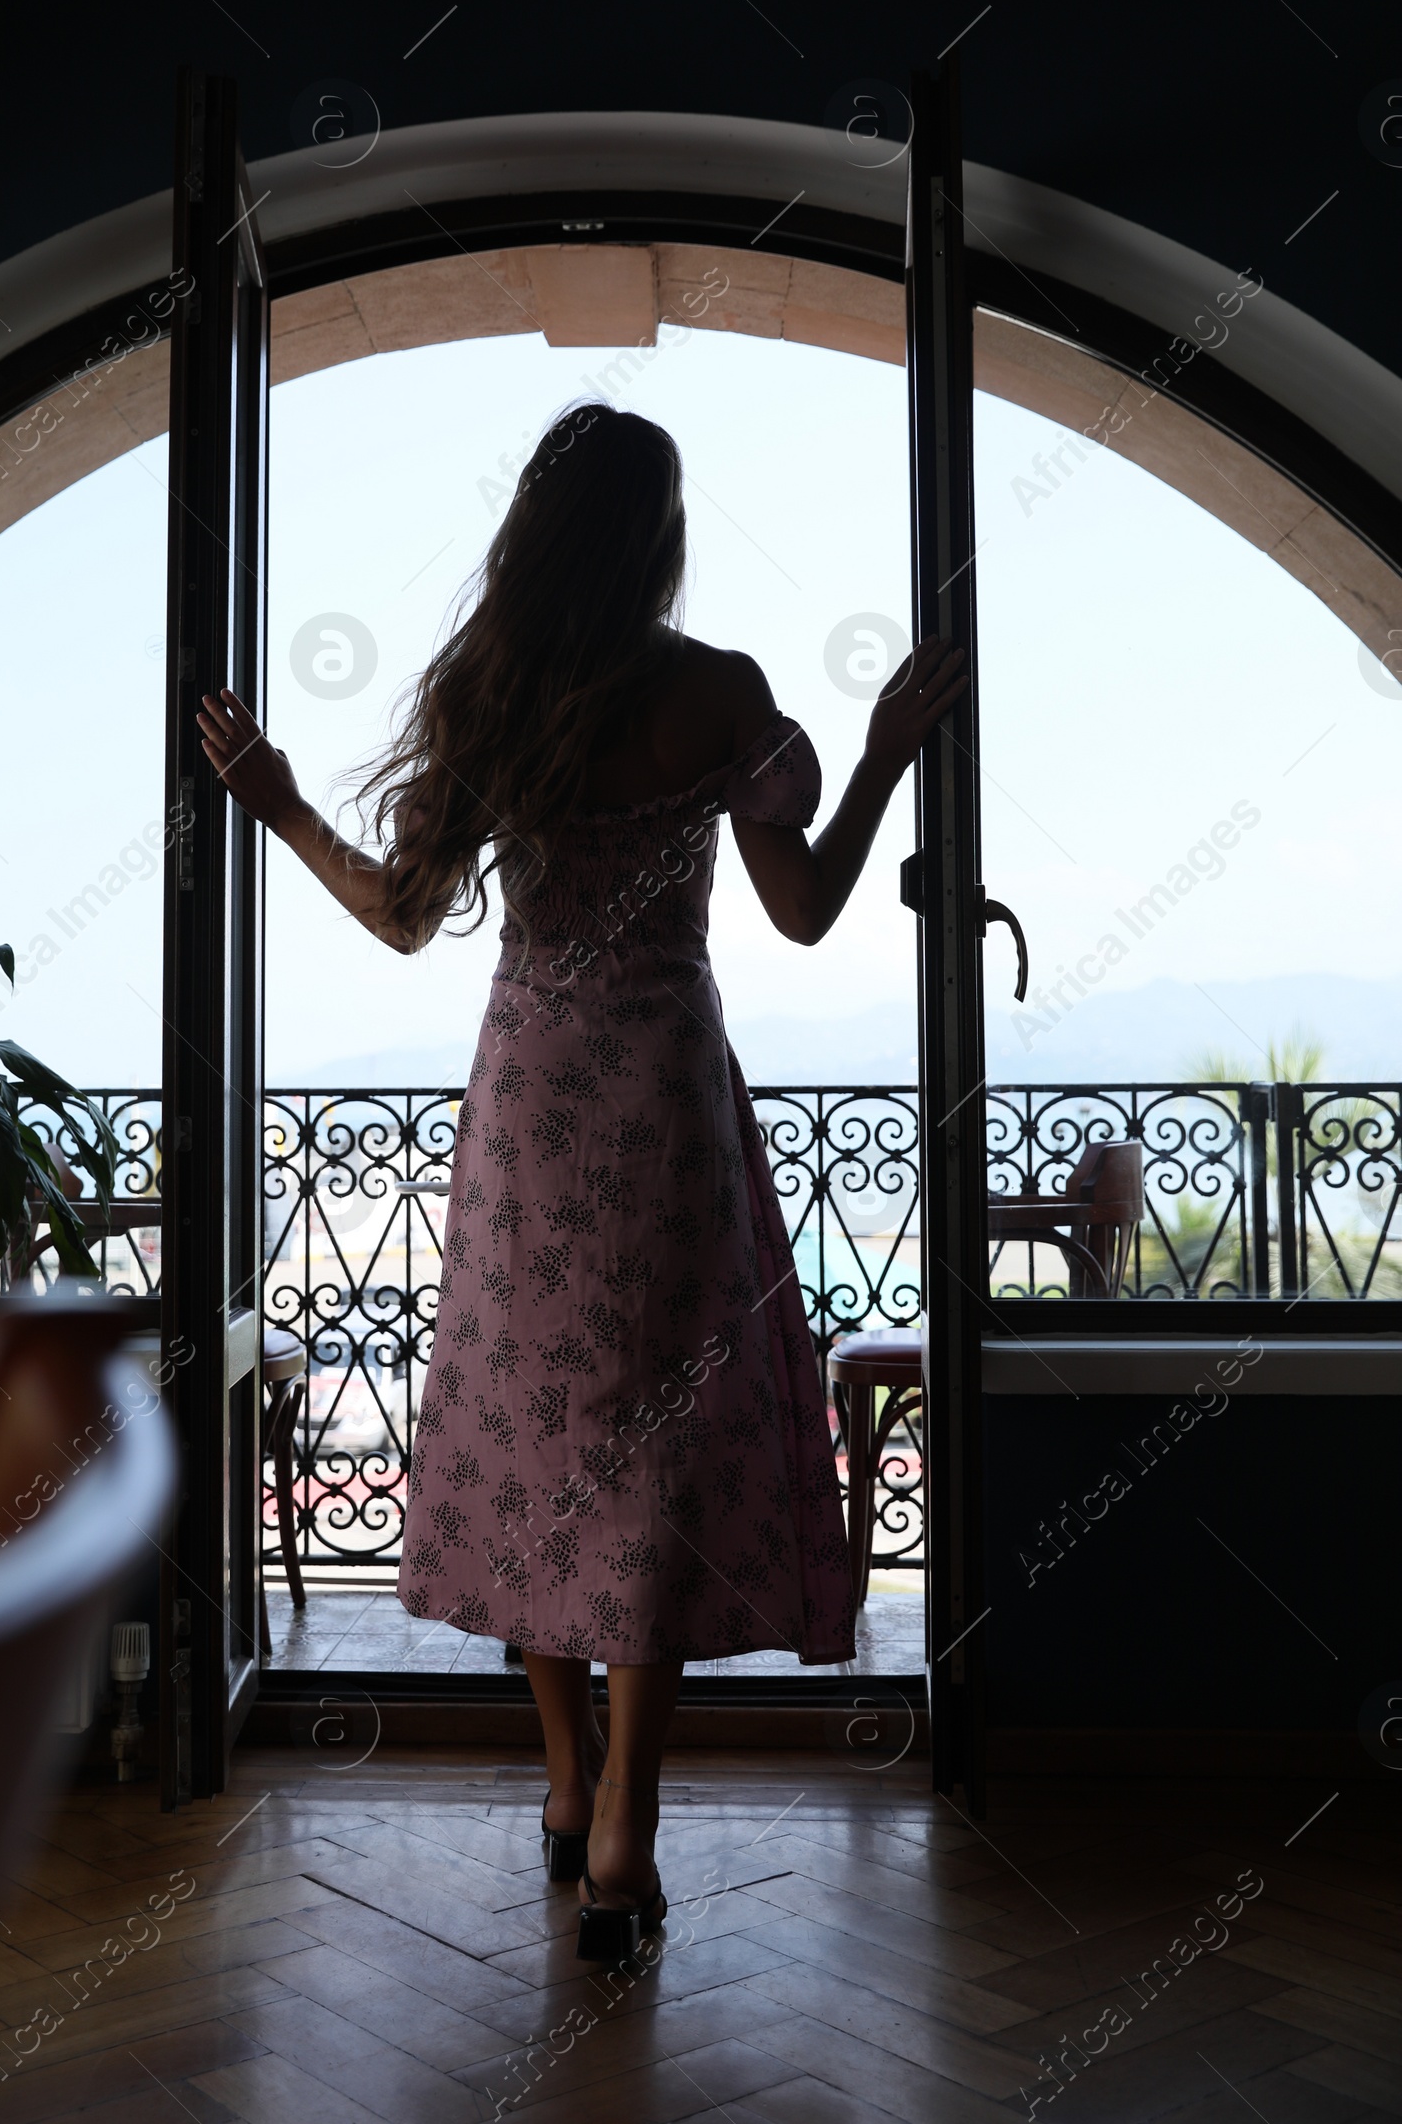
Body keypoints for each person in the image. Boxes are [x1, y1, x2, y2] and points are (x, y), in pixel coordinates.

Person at [199, 401, 965, 1959]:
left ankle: (565, 1780)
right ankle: (624, 1825)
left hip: (533, 1104)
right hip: (667, 1101)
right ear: (660, 537)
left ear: (532, 531)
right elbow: (809, 909)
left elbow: (408, 917)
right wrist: (885, 753)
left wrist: (279, 804)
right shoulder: (718, 696)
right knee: (654, 1457)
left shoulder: (487, 691)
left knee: (533, 1438)